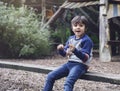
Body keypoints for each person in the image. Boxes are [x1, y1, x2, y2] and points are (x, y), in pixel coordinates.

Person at [43, 15, 93, 91]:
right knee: (50, 76)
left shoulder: (87, 40)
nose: (78, 27)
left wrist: (75, 50)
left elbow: (85, 58)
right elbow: (64, 54)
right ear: (72, 28)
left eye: (81, 25)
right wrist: (60, 49)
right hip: (69, 64)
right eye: (75, 25)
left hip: (81, 65)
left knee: (68, 82)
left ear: (85, 28)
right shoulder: (71, 39)